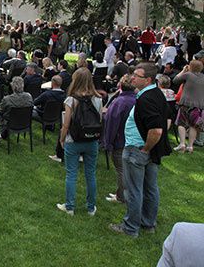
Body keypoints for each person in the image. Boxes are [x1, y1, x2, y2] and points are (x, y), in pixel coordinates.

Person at [110, 63, 172, 238]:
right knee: (150, 188)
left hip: (139, 149)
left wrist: (145, 149)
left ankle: (130, 228)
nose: (132, 78)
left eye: (137, 75)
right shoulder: (155, 93)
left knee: (134, 189)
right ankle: (148, 223)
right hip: (148, 149)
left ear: (148, 80)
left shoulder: (147, 99)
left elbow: (157, 130)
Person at [56, 67, 102, 216]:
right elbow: (99, 120)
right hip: (92, 139)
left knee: (71, 174)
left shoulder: (71, 100)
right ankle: (91, 207)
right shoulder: (98, 99)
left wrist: (62, 139)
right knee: (91, 174)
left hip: (73, 139)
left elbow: (66, 124)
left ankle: (70, 206)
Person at [102, 74, 136, 204]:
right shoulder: (137, 100)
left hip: (120, 141)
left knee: (122, 170)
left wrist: (108, 143)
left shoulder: (119, 102)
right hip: (133, 140)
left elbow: (111, 124)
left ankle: (122, 197)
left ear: (120, 86)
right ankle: (120, 192)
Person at [0, 76, 33, 146]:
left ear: (12, 86)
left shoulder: (7, 99)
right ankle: (4, 134)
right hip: (24, 122)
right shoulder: (29, 96)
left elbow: (0, 112)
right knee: (7, 116)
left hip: (11, 122)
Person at [172, 60, 204, 153]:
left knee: (181, 123)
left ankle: (182, 144)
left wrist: (183, 71)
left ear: (191, 66)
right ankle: (190, 146)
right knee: (193, 126)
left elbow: (175, 80)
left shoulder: (188, 75)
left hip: (186, 103)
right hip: (199, 105)